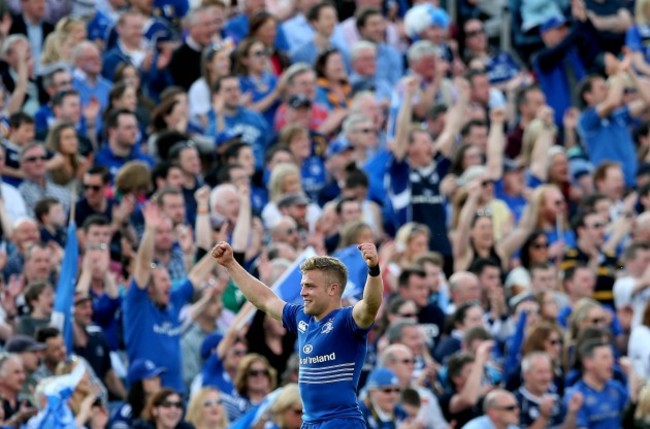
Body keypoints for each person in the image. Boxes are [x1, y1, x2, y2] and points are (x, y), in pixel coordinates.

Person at [210, 240, 383, 428]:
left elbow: (370, 304)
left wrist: (373, 270)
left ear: (333, 289)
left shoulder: (348, 320)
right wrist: (230, 264)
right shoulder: (301, 318)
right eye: (302, 285)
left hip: (341, 422)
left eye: (310, 286)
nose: (302, 292)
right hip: (309, 423)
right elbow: (264, 300)